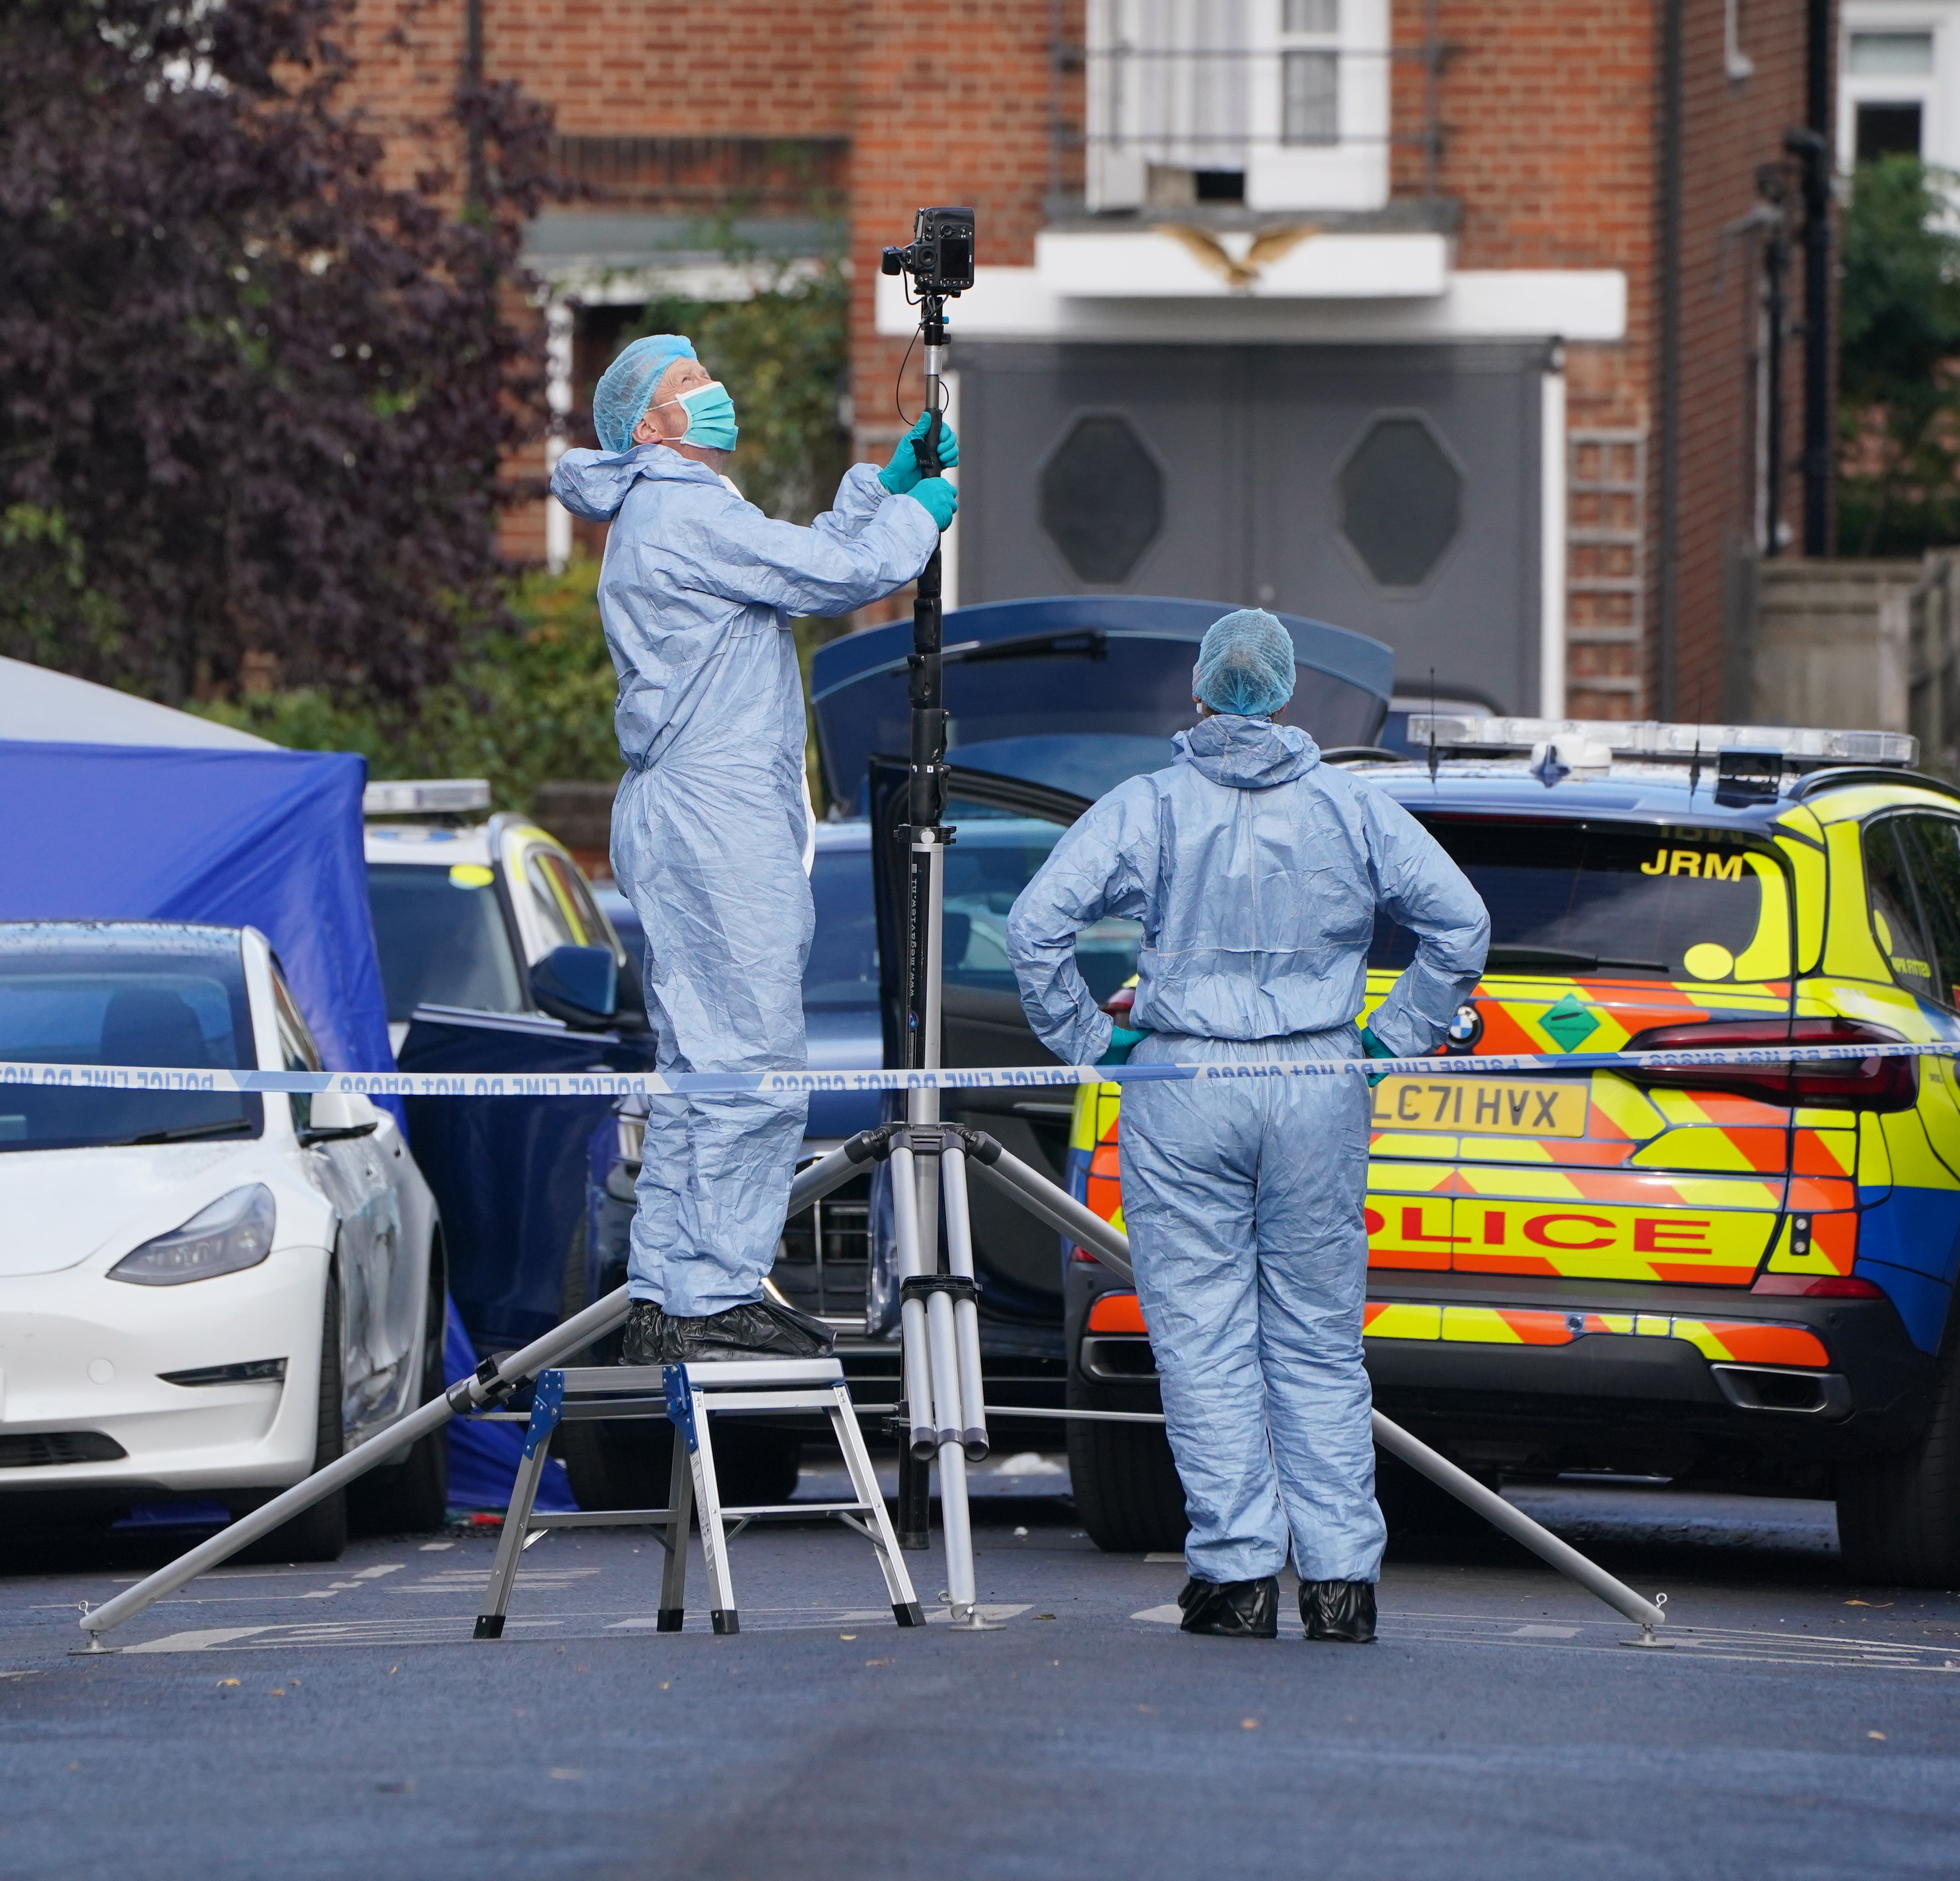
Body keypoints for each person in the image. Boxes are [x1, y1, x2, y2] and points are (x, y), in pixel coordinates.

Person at [1004, 609, 1489, 1644]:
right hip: (1319, 1077)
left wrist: (1094, 1040)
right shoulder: (1352, 808)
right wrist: (1391, 1038)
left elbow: (1037, 923)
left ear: (1198, 689)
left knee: (1202, 1335)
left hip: (1184, 1081)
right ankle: (1342, 1581)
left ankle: (1233, 1575)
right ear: (1285, 691)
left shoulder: (1148, 806)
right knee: (1318, 1339)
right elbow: (1462, 922)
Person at [553, 333, 959, 1364]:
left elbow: (794, 558)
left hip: (686, 809)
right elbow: (836, 574)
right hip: (716, 813)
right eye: (691, 382)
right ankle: (719, 1287)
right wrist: (914, 515)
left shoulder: (678, 514)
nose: (713, 391)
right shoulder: (683, 511)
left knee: (698, 1059)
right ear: (649, 423)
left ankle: (668, 1289)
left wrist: (884, 484)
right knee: (752, 1057)